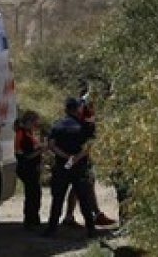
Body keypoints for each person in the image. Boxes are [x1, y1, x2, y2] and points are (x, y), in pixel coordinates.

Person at [41, 97, 98, 238]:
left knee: (58, 198)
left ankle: (52, 228)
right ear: (78, 109)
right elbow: (89, 145)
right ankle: (91, 229)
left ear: (66, 109)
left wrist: (66, 156)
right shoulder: (85, 125)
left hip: (62, 165)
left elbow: (51, 145)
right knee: (84, 198)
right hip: (80, 165)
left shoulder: (57, 125)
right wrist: (76, 157)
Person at [61, 90, 115, 228]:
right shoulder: (82, 115)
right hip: (79, 155)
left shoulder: (86, 113)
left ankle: (95, 214)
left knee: (88, 183)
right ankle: (71, 216)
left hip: (83, 154)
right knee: (79, 184)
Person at [13, 110, 43, 229]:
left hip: (31, 168)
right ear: (29, 122)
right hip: (26, 168)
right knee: (32, 195)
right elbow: (26, 155)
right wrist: (41, 150)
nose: (36, 126)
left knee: (35, 194)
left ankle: (33, 218)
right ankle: (30, 220)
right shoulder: (22, 134)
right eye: (35, 123)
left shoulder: (28, 133)